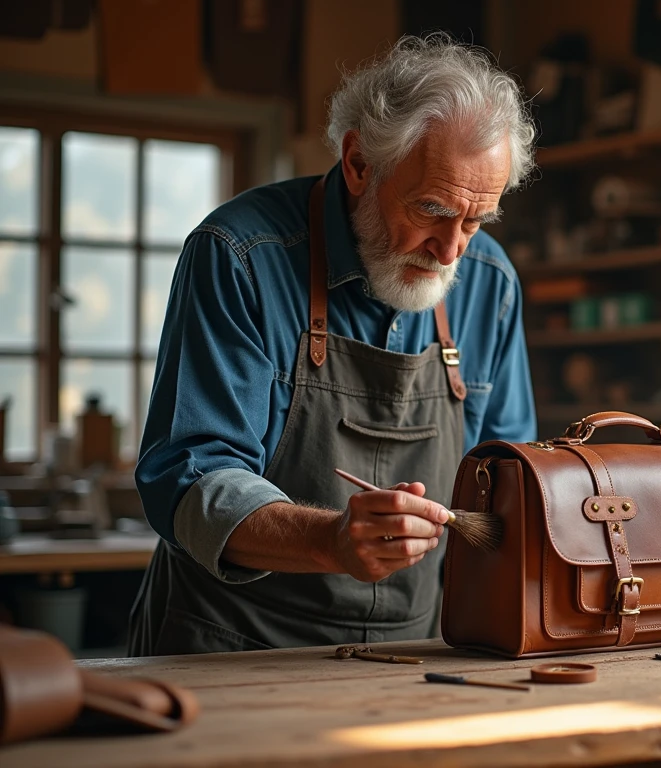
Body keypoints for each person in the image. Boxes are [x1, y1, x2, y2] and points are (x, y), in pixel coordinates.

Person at [129, 35, 538, 656]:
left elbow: (509, 486)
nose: (453, 249)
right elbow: (188, 478)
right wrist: (331, 541)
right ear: (358, 164)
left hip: (416, 652)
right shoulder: (240, 256)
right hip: (232, 647)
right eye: (431, 209)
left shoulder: (489, 281)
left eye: (476, 220)